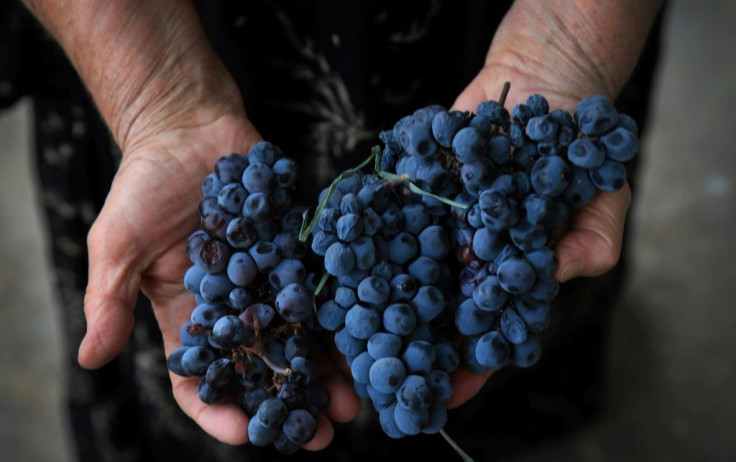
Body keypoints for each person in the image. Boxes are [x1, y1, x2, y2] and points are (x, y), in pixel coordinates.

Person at [2, 0, 664, 460]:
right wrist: (155, 93)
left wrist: (569, 43)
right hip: (148, 27)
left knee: (498, 356)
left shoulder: (469, 167)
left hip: (493, 35)